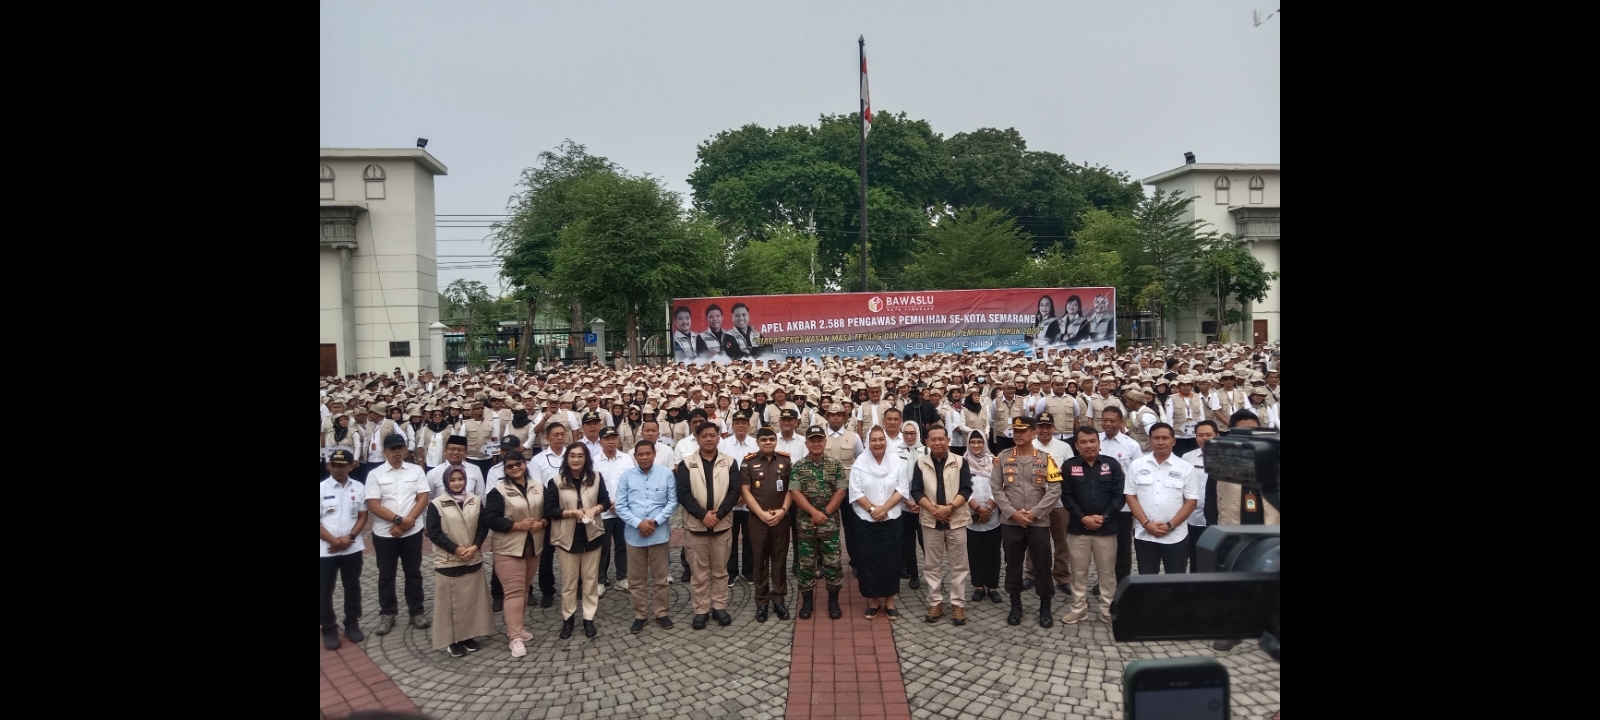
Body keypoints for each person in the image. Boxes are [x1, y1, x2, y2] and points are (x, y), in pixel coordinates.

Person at [993, 416, 1062, 628]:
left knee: (1042, 565)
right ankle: (1015, 605)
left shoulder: (1046, 458)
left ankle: (1045, 607)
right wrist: (1013, 513)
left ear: (1033, 433)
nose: (1018, 435)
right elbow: (996, 488)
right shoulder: (1003, 458)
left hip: (1038, 521)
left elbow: (1055, 489)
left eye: (1022, 431)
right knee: (1012, 564)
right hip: (1011, 521)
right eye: (1015, 431)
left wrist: (1035, 513)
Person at [676, 421, 743, 629]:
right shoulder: (687, 463)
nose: (708, 439)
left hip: (722, 525)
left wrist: (719, 514)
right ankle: (701, 609)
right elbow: (684, 494)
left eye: (712, 435)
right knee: (699, 571)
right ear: (697, 438)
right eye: (703, 435)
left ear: (718, 437)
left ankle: (720, 607)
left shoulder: (730, 462)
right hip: (696, 526)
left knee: (721, 570)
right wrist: (703, 515)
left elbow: (734, 492)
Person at [363, 433, 432, 635]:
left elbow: (422, 498)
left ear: (405, 450)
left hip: (412, 531)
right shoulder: (375, 474)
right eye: (393, 449)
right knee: (386, 575)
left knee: (413, 572)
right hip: (385, 533)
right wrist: (399, 521)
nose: (397, 452)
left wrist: (407, 523)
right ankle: (388, 613)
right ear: (384, 451)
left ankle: (416, 611)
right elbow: (374, 505)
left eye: (400, 448)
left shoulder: (416, 470)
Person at [483, 450, 548, 656]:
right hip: (509, 547)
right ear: (505, 469)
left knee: (524, 588)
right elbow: (490, 518)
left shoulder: (538, 487)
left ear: (524, 464)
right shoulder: (498, 490)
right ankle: (515, 638)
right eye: (509, 466)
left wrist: (542, 523)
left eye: (517, 464)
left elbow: (549, 512)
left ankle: (518, 627)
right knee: (513, 591)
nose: (514, 468)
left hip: (533, 545)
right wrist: (517, 525)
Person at [544, 442, 612, 640]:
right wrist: (570, 512)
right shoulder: (556, 481)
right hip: (567, 538)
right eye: (572, 456)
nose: (576, 460)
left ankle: (588, 618)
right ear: (566, 458)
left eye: (580, 456)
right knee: (569, 582)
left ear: (586, 459)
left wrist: (596, 509)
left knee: (590, 581)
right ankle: (568, 618)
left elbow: (606, 501)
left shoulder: (596, 478)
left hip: (592, 535)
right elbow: (549, 510)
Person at [425, 466, 494, 658]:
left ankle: (467, 635)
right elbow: (434, 532)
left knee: (471, 600)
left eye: (460, 479)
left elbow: (482, 526)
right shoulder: (437, 504)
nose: (457, 483)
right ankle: (451, 640)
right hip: (449, 560)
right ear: (446, 482)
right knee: (449, 604)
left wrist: (475, 546)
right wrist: (455, 549)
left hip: (472, 556)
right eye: (453, 480)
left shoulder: (475, 500)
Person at [1060, 426, 1125, 625]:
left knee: (1107, 573)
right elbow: (1066, 497)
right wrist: (1083, 518)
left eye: (1092, 441)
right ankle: (1079, 609)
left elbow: (1119, 496)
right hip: (1079, 529)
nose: (1089, 446)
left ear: (1099, 442)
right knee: (1078, 572)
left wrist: (1103, 517)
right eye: (1084, 442)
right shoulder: (1069, 466)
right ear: (1077, 445)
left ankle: (1107, 610)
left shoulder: (1112, 465)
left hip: (1106, 529)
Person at [613, 440, 678, 633]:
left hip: (659, 534)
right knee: (636, 579)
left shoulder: (665, 474)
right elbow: (620, 506)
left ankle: (661, 612)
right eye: (640, 454)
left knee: (661, 578)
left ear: (654, 454)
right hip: (635, 535)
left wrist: (655, 521)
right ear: (635, 456)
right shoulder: (627, 477)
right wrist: (638, 523)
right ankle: (640, 614)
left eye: (648, 453)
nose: (644, 457)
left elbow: (672, 502)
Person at [911, 425, 973, 625]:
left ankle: (958, 604)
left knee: (959, 565)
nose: (937, 442)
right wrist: (934, 510)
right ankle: (935, 602)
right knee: (931, 565)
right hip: (930, 521)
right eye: (933, 439)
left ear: (947, 440)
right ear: (927, 442)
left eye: (941, 439)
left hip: (956, 520)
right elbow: (916, 491)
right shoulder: (921, 463)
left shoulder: (960, 461)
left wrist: (949, 508)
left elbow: (966, 488)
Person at [849, 426, 909, 619]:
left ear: (886, 441)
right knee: (869, 561)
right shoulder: (860, 463)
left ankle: (890, 601)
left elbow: (902, 489)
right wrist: (873, 510)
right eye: (873, 440)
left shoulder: (897, 462)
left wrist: (884, 509)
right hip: (867, 520)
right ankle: (874, 601)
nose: (878, 443)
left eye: (881, 439)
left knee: (891, 560)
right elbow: (856, 491)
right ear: (868, 442)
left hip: (892, 519)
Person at [1124, 424, 1199, 576]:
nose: (1160, 442)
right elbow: (1130, 496)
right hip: (1144, 534)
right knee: (1147, 580)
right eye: (1156, 438)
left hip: (1176, 535)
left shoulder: (1186, 468)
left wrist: (1170, 526)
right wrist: (1146, 524)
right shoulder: (1136, 465)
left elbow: (1191, 502)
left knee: (1176, 581)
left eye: (1165, 438)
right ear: (1150, 441)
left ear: (1174, 441)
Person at [790, 424, 847, 620]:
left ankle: (833, 600)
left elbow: (841, 491)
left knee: (832, 562)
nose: (816, 443)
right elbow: (795, 493)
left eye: (819, 440)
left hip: (829, 523)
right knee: (806, 563)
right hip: (806, 523)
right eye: (812, 440)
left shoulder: (835, 465)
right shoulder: (798, 466)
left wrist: (825, 512)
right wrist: (814, 512)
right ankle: (807, 601)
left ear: (825, 441)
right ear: (806, 443)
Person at [740, 427, 794, 622]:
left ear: (776, 441)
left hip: (781, 518)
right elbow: (745, 491)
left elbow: (791, 489)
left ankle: (779, 600)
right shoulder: (748, 462)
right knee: (760, 560)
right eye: (764, 440)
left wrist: (783, 511)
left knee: (779, 560)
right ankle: (762, 602)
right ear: (758, 442)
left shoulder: (785, 460)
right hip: (758, 519)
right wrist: (761, 514)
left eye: (771, 439)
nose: (768, 442)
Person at [320, 448, 368, 650]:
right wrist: (334, 540)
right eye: (333, 465)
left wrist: (349, 538)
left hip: (352, 547)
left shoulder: (358, 487)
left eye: (342, 466)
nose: (337, 469)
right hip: (325, 549)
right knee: (324, 590)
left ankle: (352, 622)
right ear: (328, 465)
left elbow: (363, 516)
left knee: (352, 586)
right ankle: (329, 628)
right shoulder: (321, 488)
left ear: (351, 466)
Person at [1030, 413, 1073, 595]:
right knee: (1033, 540)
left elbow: (1070, 476)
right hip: (1034, 502)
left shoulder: (1064, 447)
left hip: (1059, 502)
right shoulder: (1028, 446)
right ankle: (1031, 573)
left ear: (1054, 428)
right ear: (1035, 429)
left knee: (1061, 541)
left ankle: (1062, 575)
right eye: (1041, 426)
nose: (1045, 430)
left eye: (1048, 426)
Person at [593, 426, 637, 595]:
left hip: (623, 511)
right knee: (602, 547)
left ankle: (622, 577)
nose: (611, 442)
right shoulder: (594, 461)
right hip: (603, 511)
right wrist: (606, 503)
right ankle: (600, 579)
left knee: (622, 546)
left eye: (614, 438)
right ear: (601, 441)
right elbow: (592, 485)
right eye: (607, 438)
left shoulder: (626, 459)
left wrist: (620, 503)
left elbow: (632, 482)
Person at [963, 431, 1004, 604]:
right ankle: (978, 586)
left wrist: (989, 507)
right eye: (973, 442)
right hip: (971, 514)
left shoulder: (994, 461)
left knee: (993, 552)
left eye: (980, 442)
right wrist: (977, 508)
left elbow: (1000, 485)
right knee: (974, 552)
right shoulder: (962, 463)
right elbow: (961, 487)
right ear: (968, 443)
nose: (977, 445)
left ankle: (993, 586)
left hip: (992, 514)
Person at [719, 410, 759, 583]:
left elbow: (758, 473)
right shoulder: (724, 445)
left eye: (744, 422)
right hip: (730, 500)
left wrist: (745, 494)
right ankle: (731, 571)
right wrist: (735, 495)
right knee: (730, 537)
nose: (741, 426)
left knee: (751, 537)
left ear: (749, 425)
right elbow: (721, 472)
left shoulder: (756, 445)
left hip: (751, 500)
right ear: (732, 425)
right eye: (737, 423)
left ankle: (749, 570)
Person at [1182, 421, 1219, 573]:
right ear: (1195, 437)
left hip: (1219, 518)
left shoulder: (1226, 458)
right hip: (1194, 518)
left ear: (1217, 435)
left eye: (1209, 435)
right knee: (1195, 558)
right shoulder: (1187, 458)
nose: (1204, 438)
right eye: (1200, 435)